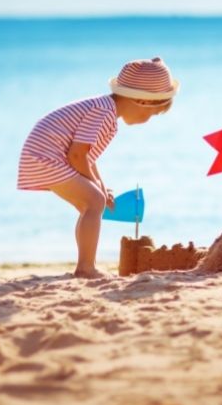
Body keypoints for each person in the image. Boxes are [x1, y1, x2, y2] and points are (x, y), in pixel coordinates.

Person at [17, 57, 179, 278]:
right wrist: (96, 189)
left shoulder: (104, 109)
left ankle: (86, 264)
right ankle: (86, 268)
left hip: (46, 156)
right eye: (151, 113)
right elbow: (76, 155)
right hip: (45, 157)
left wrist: (101, 185)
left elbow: (87, 157)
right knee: (94, 202)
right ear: (141, 101)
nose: (148, 119)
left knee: (92, 203)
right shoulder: (103, 113)